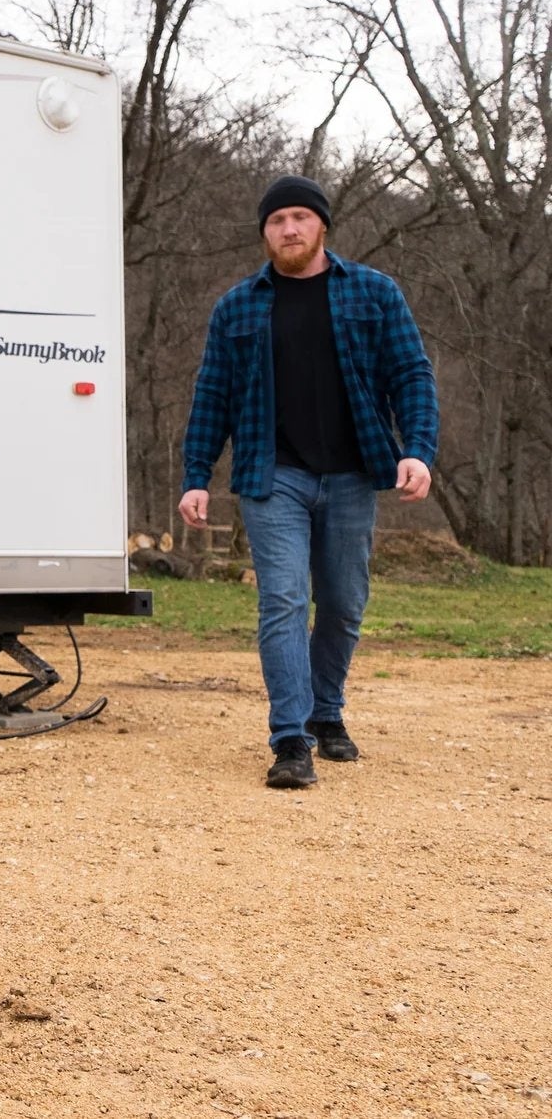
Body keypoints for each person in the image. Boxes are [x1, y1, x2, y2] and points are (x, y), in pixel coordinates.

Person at [178, 175, 438, 789]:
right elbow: (212, 395)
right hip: (273, 477)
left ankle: (327, 712)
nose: (288, 229)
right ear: (265, 232)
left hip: (353, 474)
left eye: (299, 217)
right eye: (276, 221)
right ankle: (290, 738)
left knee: (344, 605)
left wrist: (418, 451)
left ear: (322, 225)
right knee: (284, 603)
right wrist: (196, 477)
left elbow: (412, 375)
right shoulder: (238, 305)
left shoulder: (374, 292)